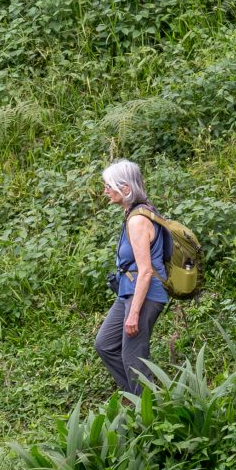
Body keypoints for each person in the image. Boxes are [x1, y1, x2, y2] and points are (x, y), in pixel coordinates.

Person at [97, 161, 169, 394]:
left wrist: (134, 313)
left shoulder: (138, 220)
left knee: (134, 360)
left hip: (145, 294)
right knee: (105, 344)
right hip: (127, 291)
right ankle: (140, 398)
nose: (105, 191)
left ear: (126, 188)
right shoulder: (133, 213)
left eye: (109, 186)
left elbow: (146, 270)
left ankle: (151, 413)